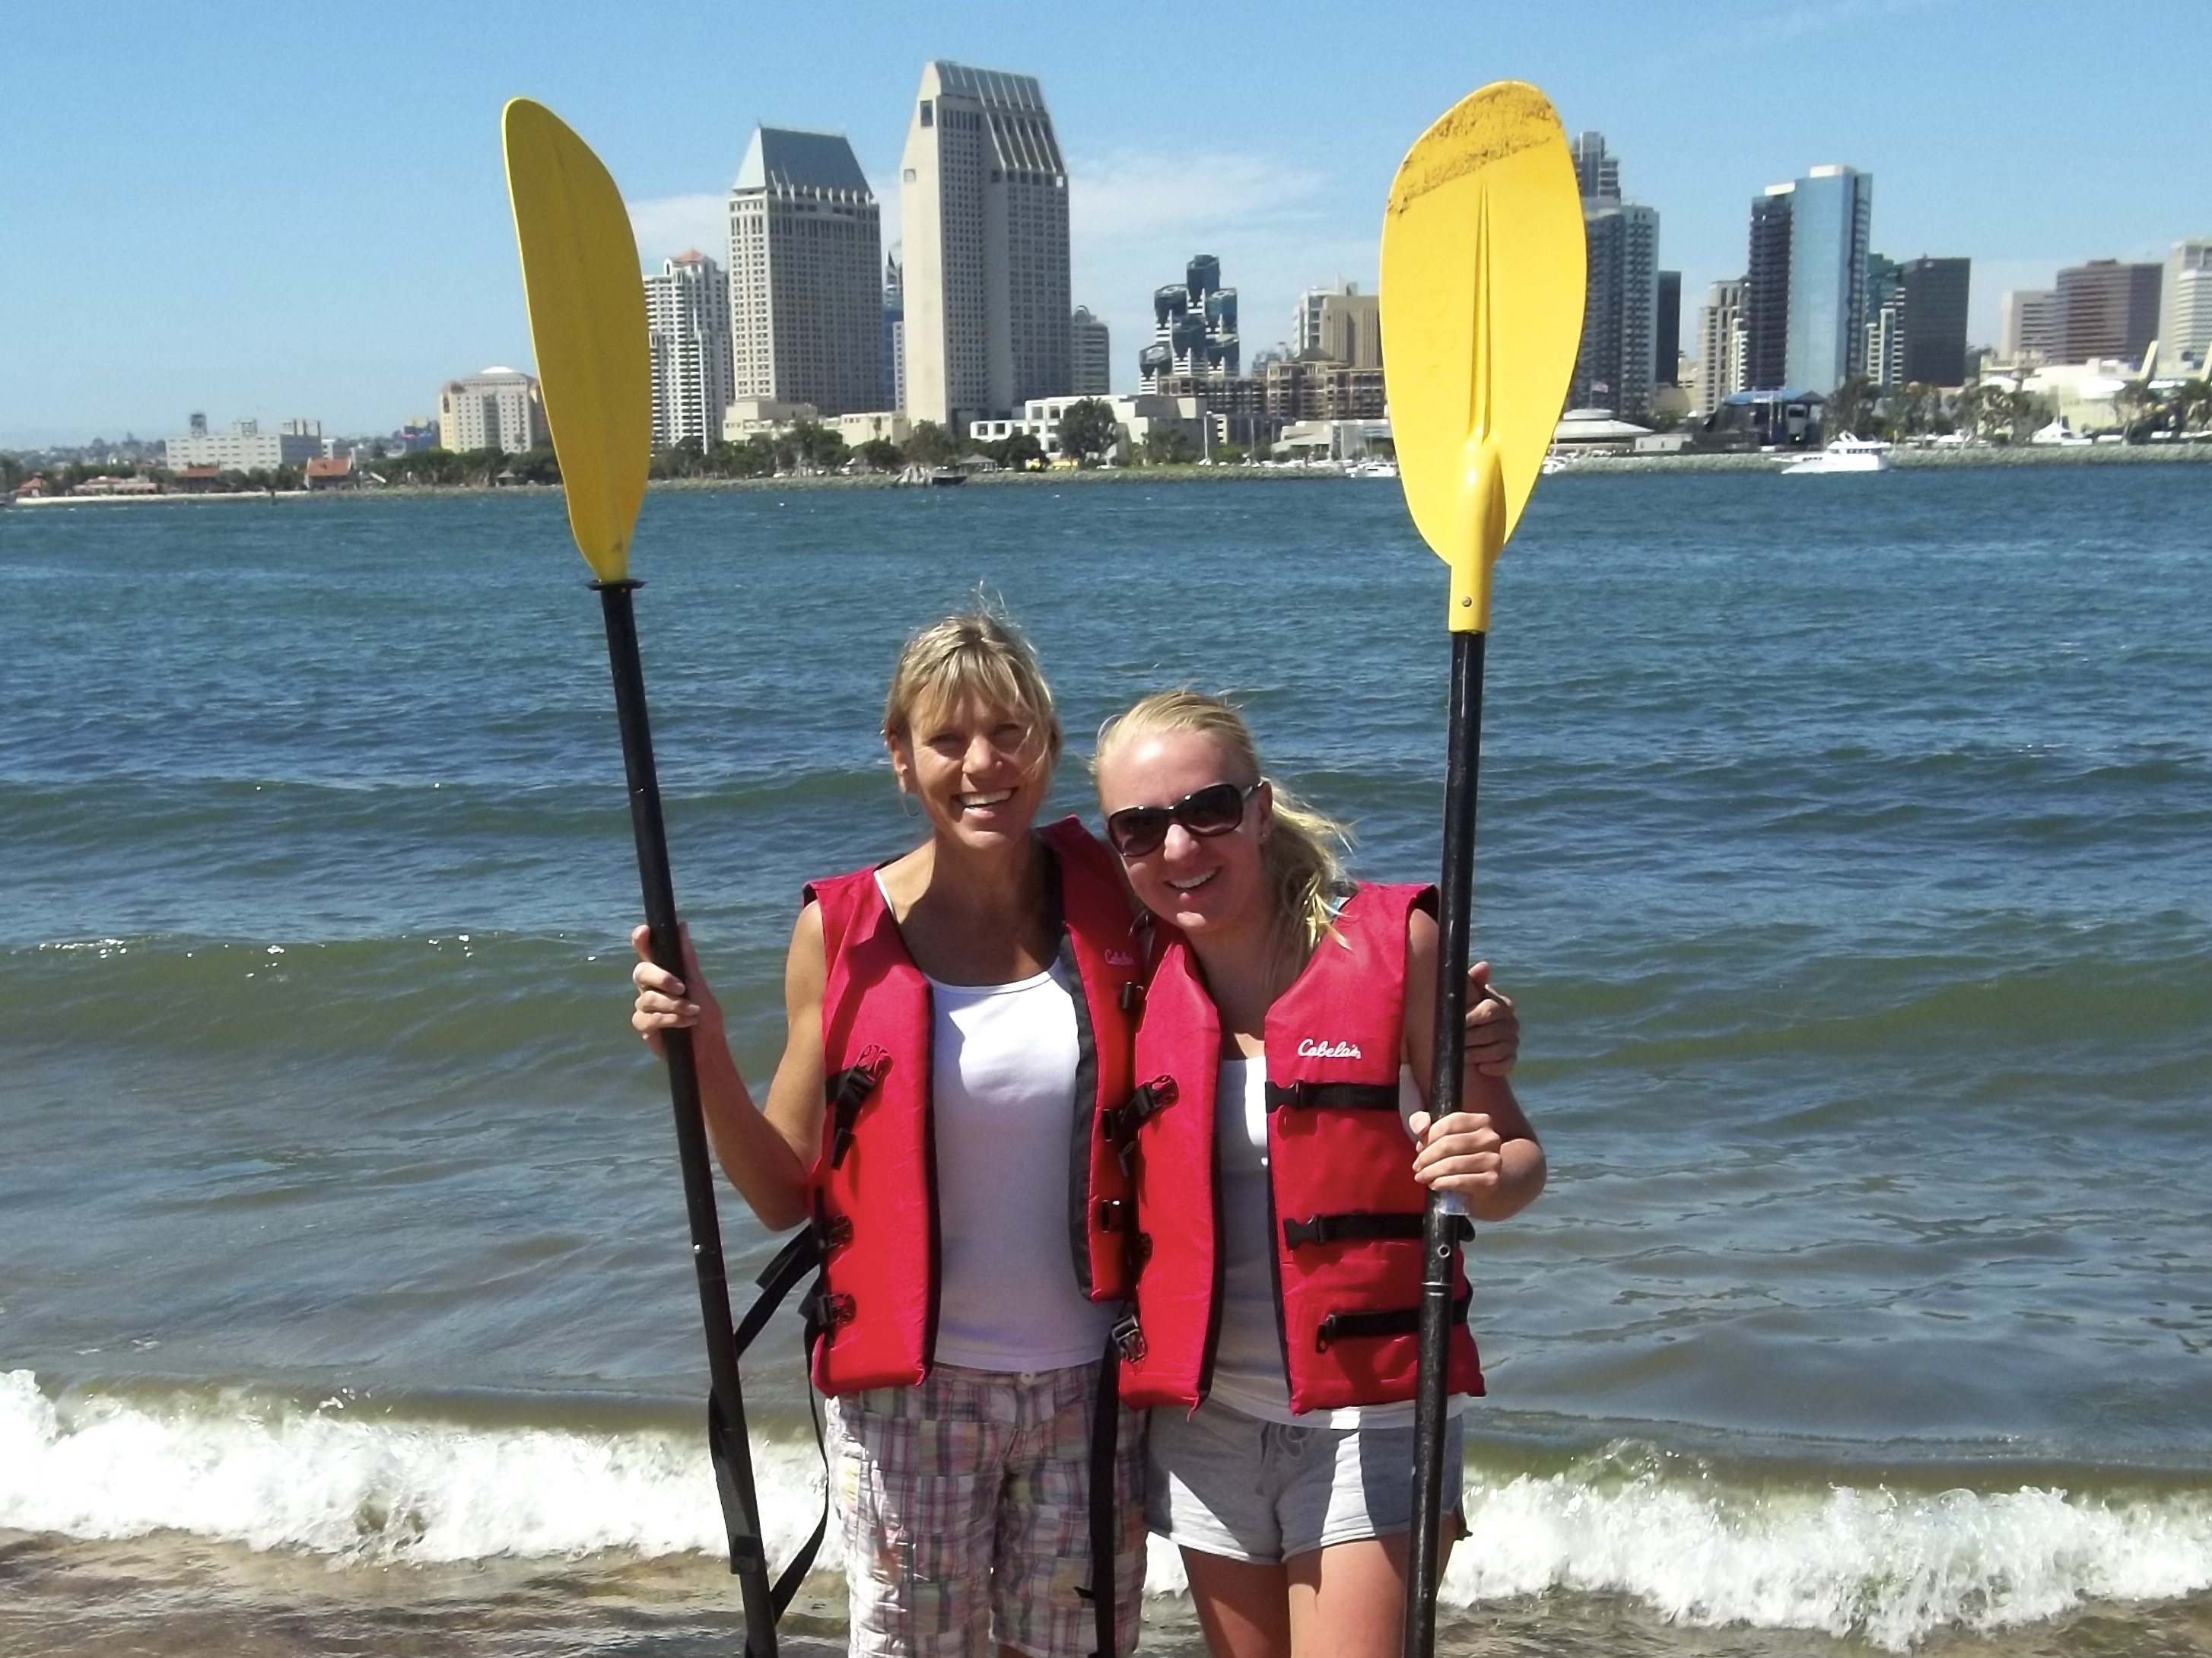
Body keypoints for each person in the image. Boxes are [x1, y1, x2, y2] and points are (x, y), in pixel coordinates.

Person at [630, 608, 1150, 1658]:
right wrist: (703, 1052)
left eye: (1010, 733)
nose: (983, 765)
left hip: (1092, 1385)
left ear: (1048, 744)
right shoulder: (843, 931)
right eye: (948, 739)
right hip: (914, 1398)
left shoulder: (1121, 896)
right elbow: (784, 1190)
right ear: (901, 757)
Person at [1091, 689, 1543, 1658]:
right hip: (1205, 1421)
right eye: (1138, 826)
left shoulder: (1395, 945)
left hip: (1370, 1410)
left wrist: (1480, 1158)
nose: (1177, 848)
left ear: (1257, 809)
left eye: (1207, 809)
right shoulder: (1127, 981)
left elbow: (1516, 1168)